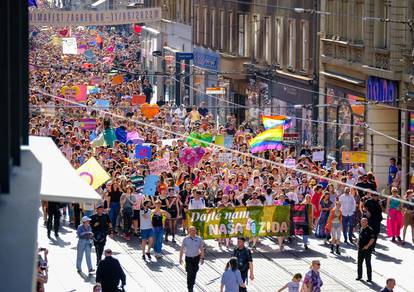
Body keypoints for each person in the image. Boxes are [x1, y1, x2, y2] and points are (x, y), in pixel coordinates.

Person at [179, 226, 205, 292]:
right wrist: (180, 258)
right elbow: (182, 249)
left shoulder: (199, 239)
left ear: (196, 231)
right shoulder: (185, 239)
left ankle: (192, 283)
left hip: (196, 258)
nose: (193, 231)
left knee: (194, 272)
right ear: (188, 231)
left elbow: (202, 249)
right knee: (189, 272)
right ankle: (190, 287)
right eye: (191, 230)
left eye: (194, 230)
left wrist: (202, 258)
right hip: (188, 258)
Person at [356, 218, 375, 282]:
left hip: (367, 249)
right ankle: (359, 276)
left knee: (367, 263)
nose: (362, 223)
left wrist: (367, 246)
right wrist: (357, 242)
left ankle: (369, 278)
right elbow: (360, 236)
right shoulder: (361, 228)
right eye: (361, 222)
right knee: (359, 263)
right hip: (360, 248)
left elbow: (372, 239)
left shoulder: (370, 230)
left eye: (363, 222)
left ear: (367, 222)